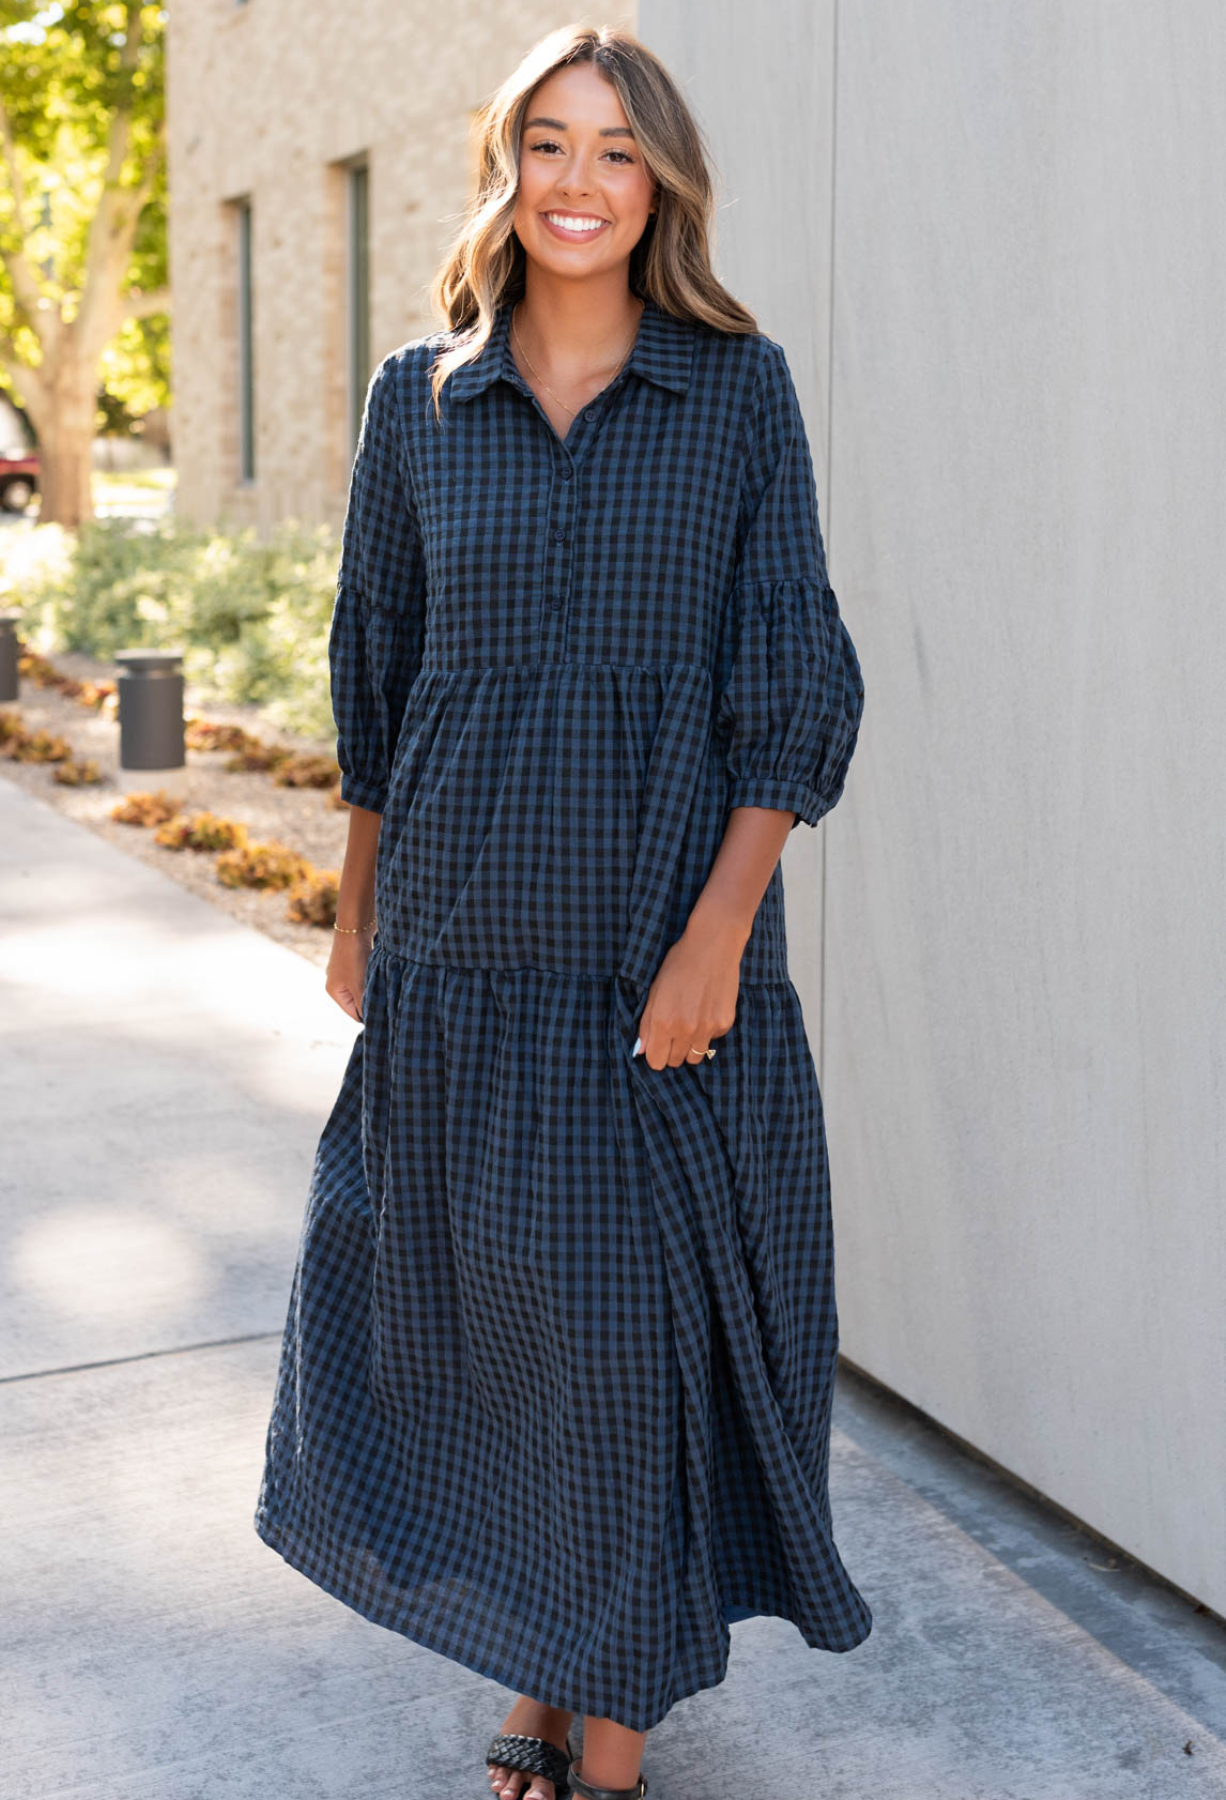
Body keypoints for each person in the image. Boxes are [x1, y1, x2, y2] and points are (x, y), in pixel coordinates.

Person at [253, 23, 872, 1800]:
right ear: (505, 168)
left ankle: (609, 1727)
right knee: (489, 1328)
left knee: (621, 1348)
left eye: (616, 149)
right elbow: (377, 665)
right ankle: (540, 1660)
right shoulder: (415, 397)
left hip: (649, 954)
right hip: (459, 939)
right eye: (549, 144)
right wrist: (355, 914)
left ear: (660, 180)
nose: (580, 181)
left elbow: (793, 680)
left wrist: (715, 938)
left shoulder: (731, 392)